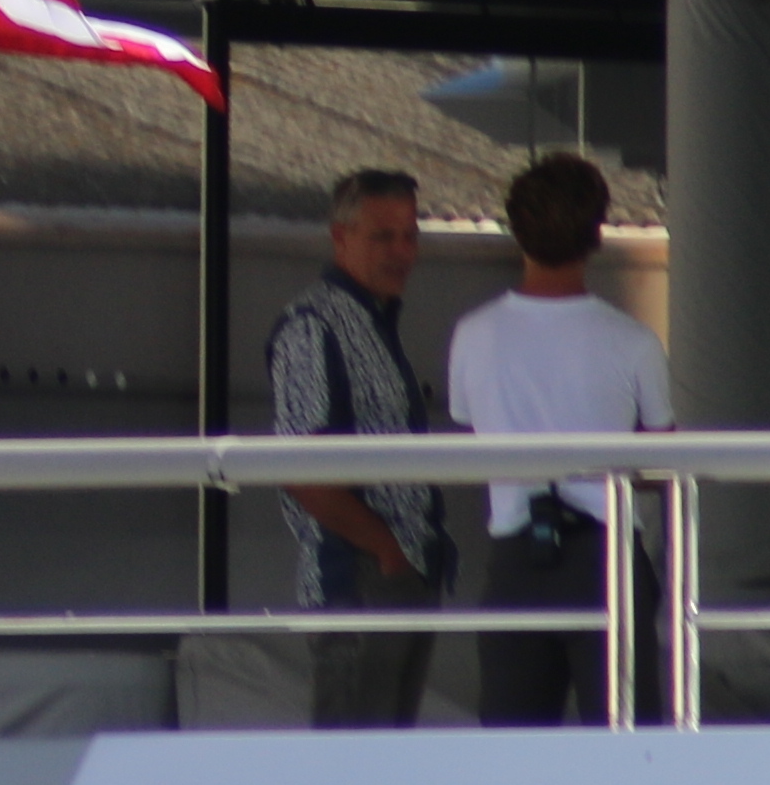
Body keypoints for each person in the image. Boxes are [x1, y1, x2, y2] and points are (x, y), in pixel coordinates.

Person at [441, 152, 675, 724]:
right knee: (628, 748)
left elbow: (468, 425)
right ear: (596, 235)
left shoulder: (473, 336)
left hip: (517, 558)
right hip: (607, 557)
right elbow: (664, 459)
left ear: (516, 230)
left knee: (515, 752)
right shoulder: (633, 341)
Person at [267, 165, 443, 728]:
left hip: (400, 572)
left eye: (410, 235)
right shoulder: (312, 327)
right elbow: (300, 468)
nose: (401, 251)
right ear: (340, 236)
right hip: (358, 579)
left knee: (388, 763)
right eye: (383, 236)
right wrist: (386, 550)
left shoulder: (373, 321)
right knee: (352, 767)